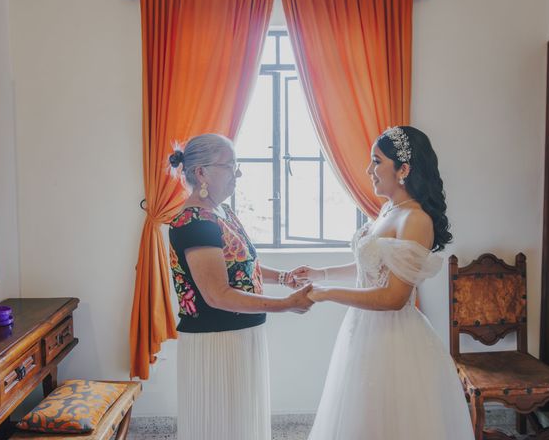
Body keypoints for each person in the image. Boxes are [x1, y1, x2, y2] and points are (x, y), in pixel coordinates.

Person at [290, 126, 475, 440]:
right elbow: (371, 266)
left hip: (394, 339)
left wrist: (327, 294)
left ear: (403, 169)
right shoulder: (389, 210)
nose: (368, 170)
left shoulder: (415, 220)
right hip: (363, 331)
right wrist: (320, 273)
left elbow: (394, 298)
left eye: (376, 161)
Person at [167, 133, 313, 440]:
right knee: (222, 426)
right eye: (231, 165)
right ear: (201, 173)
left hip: (240, 335)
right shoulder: (194, 222)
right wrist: (285, 304)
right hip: (217, 341)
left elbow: (242, 267)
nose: (239, 172)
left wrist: (283, 277)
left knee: (241, 422)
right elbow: (217, 294)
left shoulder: (222, 212)